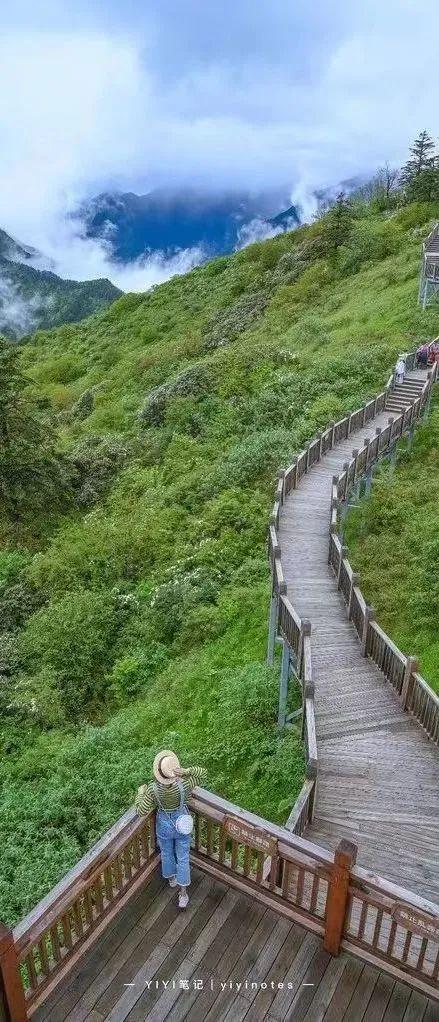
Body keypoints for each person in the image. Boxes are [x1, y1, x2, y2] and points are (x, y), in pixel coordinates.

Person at [135, 750, 206, 909]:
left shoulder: (153, 790)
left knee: (166, 852)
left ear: (158, 772)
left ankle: (171, 878)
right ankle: (183, 894)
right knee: (183, 857)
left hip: (164, 825)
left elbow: (140, 811)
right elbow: (203, 774)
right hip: (182, 825)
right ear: (175, 770)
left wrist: (140, 794)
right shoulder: (185, 784)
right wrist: (187, 771)